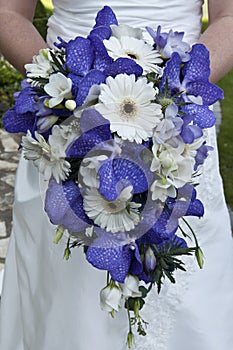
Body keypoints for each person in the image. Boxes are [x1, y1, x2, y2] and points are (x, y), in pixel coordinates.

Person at [0, 1, 233, 349]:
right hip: (68, 124)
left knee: (185, 306)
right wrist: (72, 90)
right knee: (67, 310)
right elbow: (8, 13)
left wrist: (164, 96)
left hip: (174, 124)